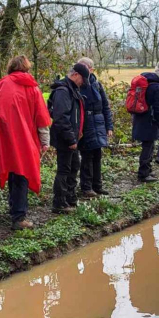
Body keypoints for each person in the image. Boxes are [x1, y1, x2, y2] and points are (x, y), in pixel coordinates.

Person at [0, 55, 52, 230]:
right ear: (27, 68)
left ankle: (14, 210)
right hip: (25, 140)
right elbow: (42, 118)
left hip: (5, 139)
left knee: (13, 172)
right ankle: (18, 217)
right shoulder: (32, 88)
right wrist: (45, 142)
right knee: (22, 174)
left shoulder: (2, 84)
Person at [49, 63, 88, 212]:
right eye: (83, 79)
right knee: (64, 170)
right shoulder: (63, 91)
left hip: (72, 137)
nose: (83, 83)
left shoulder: (72, 90)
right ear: (75, 75)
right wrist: (71, 139)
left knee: (74, 166)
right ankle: (59, 203)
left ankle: (70, 197)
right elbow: (61, 118)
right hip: (64, 139)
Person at [76, 57, 114, 197]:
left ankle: (97, 186)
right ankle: (86, 187)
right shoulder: (77, 85)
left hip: (98, 124)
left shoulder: (97, 84)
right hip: (85, 125)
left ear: (91, 69)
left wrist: (109, 126)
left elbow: (105, 106)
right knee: (86, 156)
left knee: (97, 156)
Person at [132, 62, 159, 183]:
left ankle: (148, 169)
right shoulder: (156, 87)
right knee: (148, 147)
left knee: (147, 146)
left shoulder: (147, 82)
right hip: (150, 121)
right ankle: (143, 174)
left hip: (139, 118)